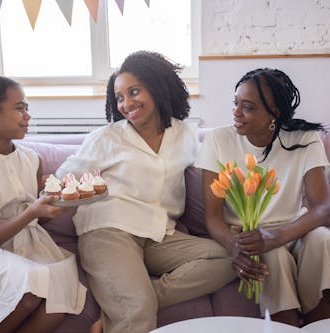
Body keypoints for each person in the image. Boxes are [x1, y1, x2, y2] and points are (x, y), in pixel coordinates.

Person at [55, 51, 236, 333]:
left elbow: (212, 175)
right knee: (137, 315)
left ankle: (130, 300)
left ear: (157, 86)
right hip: (109, 230)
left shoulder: (186, 135)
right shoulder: (106, 137)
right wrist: (59, 187)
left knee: (232, 258)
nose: (127, 103)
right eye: (119, 97)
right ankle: (130, 304)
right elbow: (63, 179)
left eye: (134, 91)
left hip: (160, 233)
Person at [195, 68, 330, 326]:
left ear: (274, 113)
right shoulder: (218, 140)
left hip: (294, 229)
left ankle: (317, 326)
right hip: (249, 235)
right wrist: (236, 247)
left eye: (248, 107)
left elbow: (322, 211)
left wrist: (275, 237)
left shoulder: (305, 139)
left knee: (322, 239)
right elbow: (212, 217)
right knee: (273, 256)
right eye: (235, 103)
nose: (235, 112)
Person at [0, 70, 91, 333]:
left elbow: (39, 219)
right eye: (19, 109)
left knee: (60, 294)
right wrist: (31, 211)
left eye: (27, 108)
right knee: (31, 287)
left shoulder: (32, 159)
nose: (27, 116)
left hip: (32, 243)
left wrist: (56, 202)